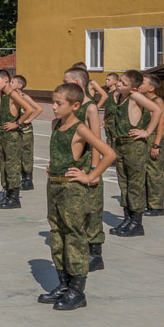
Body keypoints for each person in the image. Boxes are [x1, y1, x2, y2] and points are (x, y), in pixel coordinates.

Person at [37, 83, 116, 311]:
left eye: (59, 103)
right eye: (53, 102)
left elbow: (109, 153)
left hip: (72, 191)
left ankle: (77, 290)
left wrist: (90, 176)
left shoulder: (80, 128)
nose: (54, 107)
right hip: (54, 186)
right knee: (57, 234)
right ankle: (64, 284)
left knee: (74, 236)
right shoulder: (55, 125)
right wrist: (54, 166)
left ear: (75, 105)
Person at [109, 70, 164, 236]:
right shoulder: (120, 97)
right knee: (124, 183)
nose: (119, 84)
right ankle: (128, 218)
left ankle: (137, 223)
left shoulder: (135, 97)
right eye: (120, 81)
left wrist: (147, 132)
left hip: (134, 146)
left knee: (135, 184)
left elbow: (157, 110)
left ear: (133, 88)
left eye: (124, 84)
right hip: (120, 144)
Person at [65, 67, 107, 271]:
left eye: (66, 81)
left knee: (92, 209)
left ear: (78, 83)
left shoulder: (90, 107)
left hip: (88, 166)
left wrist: (94, 171)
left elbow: (97, 141)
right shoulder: (72, 106)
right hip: (74, 166)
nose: (63, 84)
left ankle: (95, 254)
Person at [0, 68, 37, 209]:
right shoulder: (4, 94)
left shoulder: (13, 94)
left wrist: (17, 123)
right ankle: (7, 193)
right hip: (3, 134)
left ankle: (14, 197)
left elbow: (29, 109)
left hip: (12, 136)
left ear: (6, 79)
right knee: (4, 164)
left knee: (12, 165)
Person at [140, 73, 164, 216]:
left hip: (153, 138)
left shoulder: (157, 101)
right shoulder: (143, 100)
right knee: (144, 173)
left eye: (143, 83)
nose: (139, 84)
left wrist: (156, 144)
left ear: (151, 88)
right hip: (144, 139)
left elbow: (161, 123)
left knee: (154, 173)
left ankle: (156, 206)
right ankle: (146, 203)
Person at [13, 74, 42, 191]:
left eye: (12, 82)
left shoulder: (24, 96)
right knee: (18, 154)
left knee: (26, 155)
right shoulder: (13, 96)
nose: (10, 84)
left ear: (19, 85)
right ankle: (22, 178)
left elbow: (38, 109)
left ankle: (28, 180)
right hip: (17, 130)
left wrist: (29, 119)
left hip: (26, 131)